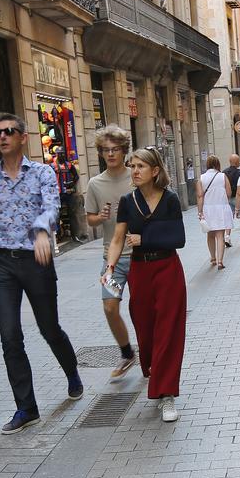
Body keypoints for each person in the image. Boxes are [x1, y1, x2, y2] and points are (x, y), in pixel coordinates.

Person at [0, 113, 84, 435]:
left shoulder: (43, 173)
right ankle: (26, 408)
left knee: (49, 328)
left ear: (22, 137)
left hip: (37, 260)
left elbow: (51, 206)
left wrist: (42, 231)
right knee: (9, 337)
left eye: (9, 131)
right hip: (4, 263)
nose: (2, 136)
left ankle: (71, 371)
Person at [103, 147, 187, 423]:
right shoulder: (128, 201)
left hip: (167, 269)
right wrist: (110, 267)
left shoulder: (171, 199)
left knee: (168, 330)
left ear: (155, 171)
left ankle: (166, 394)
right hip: (139, 271)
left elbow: (178, 237)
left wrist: (145, 238)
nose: (135, 170)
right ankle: (150, 365)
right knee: (145, 327)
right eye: (133, 166)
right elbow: (118, 238)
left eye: (141, 166)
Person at [84, 125, 137, 381]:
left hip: (139, 257)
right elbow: (90, 220)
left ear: (124, 150)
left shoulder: (137, 177)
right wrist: (99, 217)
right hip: (112, 259)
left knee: (142, 310)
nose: (111, 154)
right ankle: (127, 352)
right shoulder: (95, 183)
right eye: (106, 150)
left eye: (115, 149)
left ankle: (148, 353)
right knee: (109, 307)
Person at [197, 155, 234, 269]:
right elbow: (229, 193)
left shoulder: (201, 178)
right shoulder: (223, 176)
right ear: (218, 164)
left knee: (210, 235)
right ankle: (220, 262)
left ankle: (213, 258)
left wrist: (200, 211)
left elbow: (199, 196)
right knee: (220, 236)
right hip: (221, 208)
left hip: (208, 209)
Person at [222, 154, 240, 247]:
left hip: (227, 199)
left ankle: (227, 236)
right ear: (237, 162)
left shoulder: (224, 172)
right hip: (237, 198)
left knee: (228, 218)